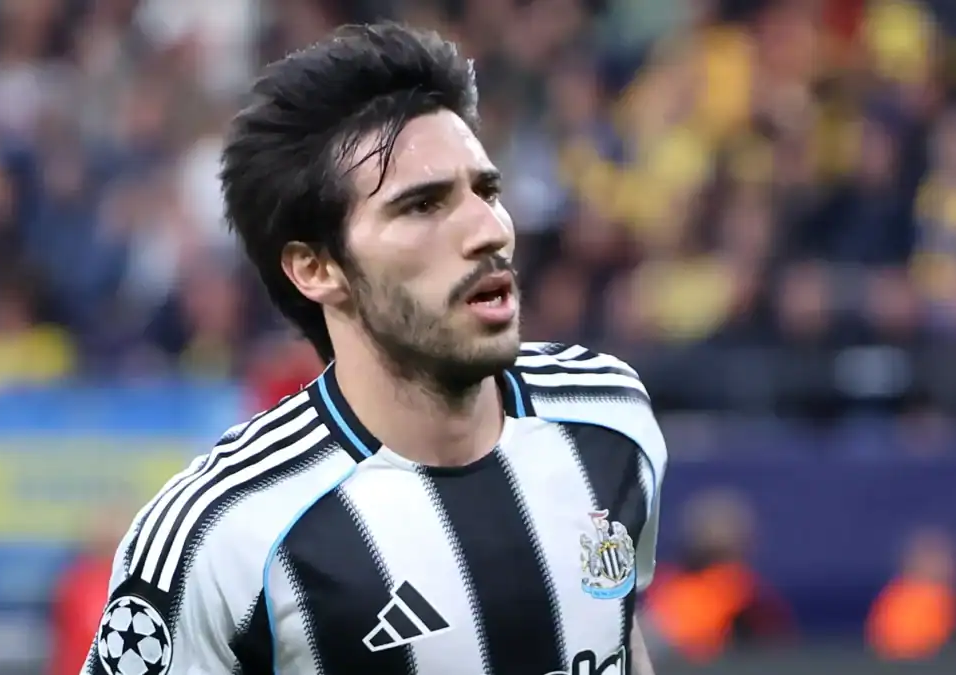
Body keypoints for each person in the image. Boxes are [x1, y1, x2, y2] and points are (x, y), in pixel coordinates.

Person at [81, 23, 667, 675]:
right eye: (422, 206)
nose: (489, 230)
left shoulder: (609, 412)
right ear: (316, 268)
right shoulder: (218, 535)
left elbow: (619, 639)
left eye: (486, 191)